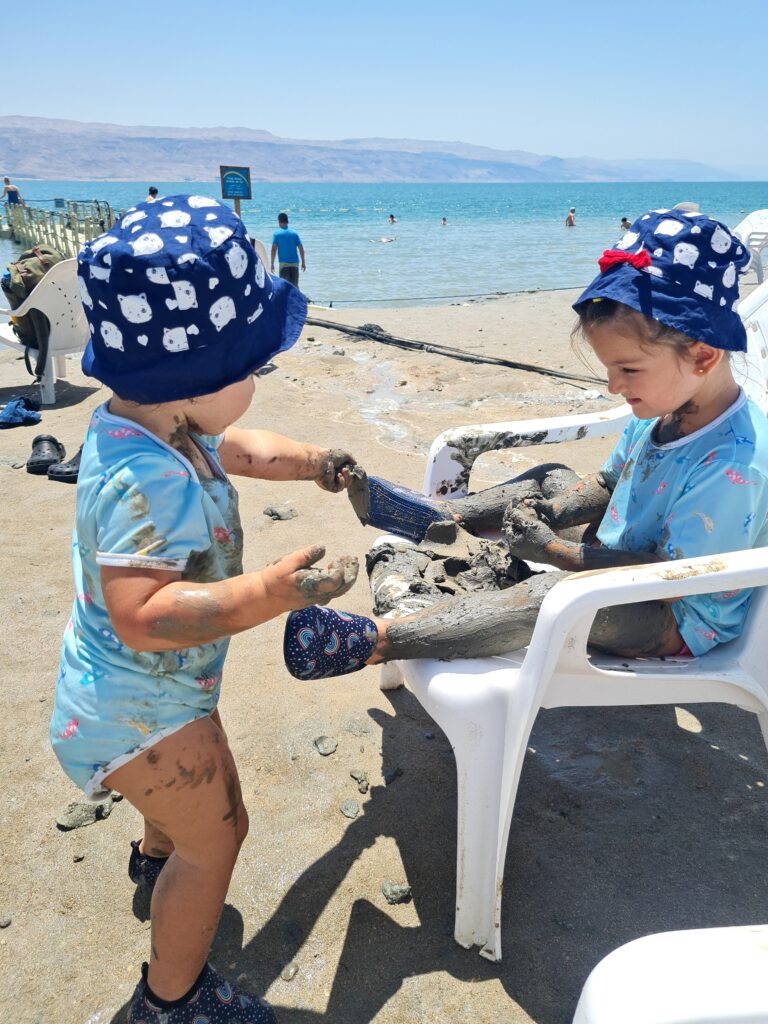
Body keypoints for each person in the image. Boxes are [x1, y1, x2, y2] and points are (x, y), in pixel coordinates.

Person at [50, 195, 360, 1023]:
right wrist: (269, 594)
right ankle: (172, 998)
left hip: (142, 699)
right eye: (252, 368)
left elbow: (243, 447)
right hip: (139, 712)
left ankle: (157, 865)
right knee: (220, 834)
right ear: (193, 380)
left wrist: (317, 464)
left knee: (180, 817)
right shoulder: (146, 478)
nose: (258, 382)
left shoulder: (156, 425)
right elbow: (143, 614)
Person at [281, 209, 768, 679]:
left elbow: (670, 577)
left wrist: (557, 552)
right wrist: (552, 512)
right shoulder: (665, 406)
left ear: (702, 356)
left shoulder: (734, 464)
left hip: (672, 615)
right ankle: (444, 517)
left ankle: (378, 641)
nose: (613, 387)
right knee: (551, 475)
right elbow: (607, 481)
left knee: (554, 597)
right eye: (609, 369)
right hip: (625, 551)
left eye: (628, 370)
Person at [270, 211, 305, 287]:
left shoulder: (277, 234)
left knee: (284, 287)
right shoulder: (294, 233)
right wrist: (303, 262)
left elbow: (273, 250)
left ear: (279, 221)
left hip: (283, 264)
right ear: (287, 221)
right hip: (295, 264)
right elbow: (301, 248)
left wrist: (272, 263)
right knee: (295, 287)